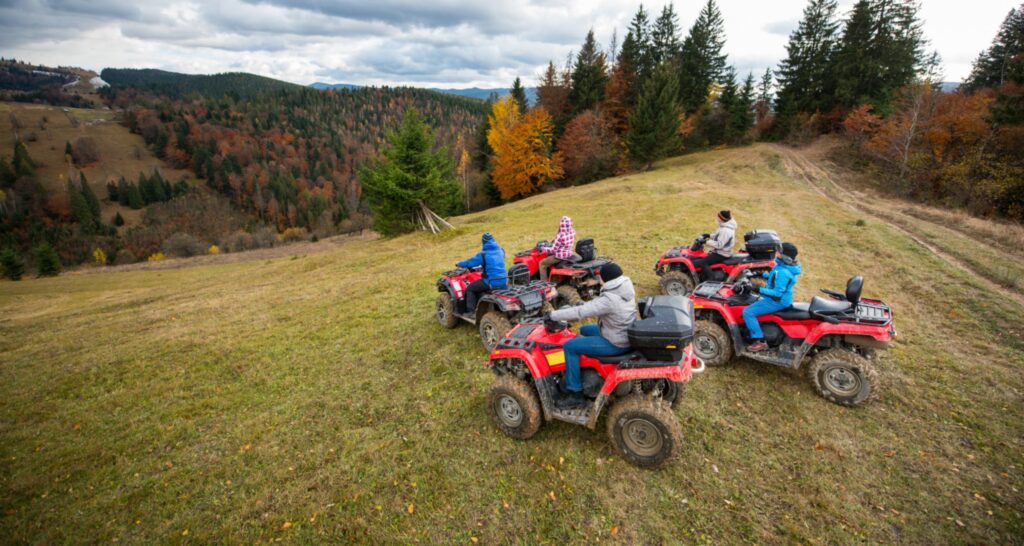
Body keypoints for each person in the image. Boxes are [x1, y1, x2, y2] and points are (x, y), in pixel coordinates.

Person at [545, 262, 636, 409]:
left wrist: (553, 315)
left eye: (600, 277)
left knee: (570, 346)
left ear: (605, 279)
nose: (598, 279)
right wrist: (584, 303)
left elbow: (581, 313)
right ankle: (586, 365)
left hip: (615, 342)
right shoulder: (625, 287)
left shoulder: (609, 300)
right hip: (621, 332)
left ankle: (575, 394)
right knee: (585, 330)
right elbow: (599, 305)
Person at [743, 242, 802, 352]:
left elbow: (777, 293)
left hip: (777, 301)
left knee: (748, 312)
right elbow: (774, 276)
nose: (776, 252)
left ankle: (759, 341)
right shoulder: (784, 266)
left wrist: (755, 288)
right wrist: (760, 274)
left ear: (784, 256)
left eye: (779, 251)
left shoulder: (783, 272)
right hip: (781, 298)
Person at [456, 232, 508, 315]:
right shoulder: (501, 251)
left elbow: (470, 262)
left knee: (470, 288)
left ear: (483, 242)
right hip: (504, 280)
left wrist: (459, 264)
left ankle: (471, 312)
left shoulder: (483, 255)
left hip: (491, 282)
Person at [694, 210, 737, 282]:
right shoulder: (725, 227)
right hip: (720, 252)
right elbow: (718, 236)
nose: (717, 218)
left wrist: (706, 241)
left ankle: (712, 279)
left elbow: (719, 244)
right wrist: (708, 235)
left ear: (721, 218)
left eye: (718, 217)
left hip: (722, 254)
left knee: (702, 262)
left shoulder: (726, 231)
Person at [538, 215, 576, 281]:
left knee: (542, 264)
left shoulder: (560, 235)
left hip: (559, 257)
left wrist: (543, 248)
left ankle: (544, 284)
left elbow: (553, 250)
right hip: (569, 254)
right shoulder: (572, 231)